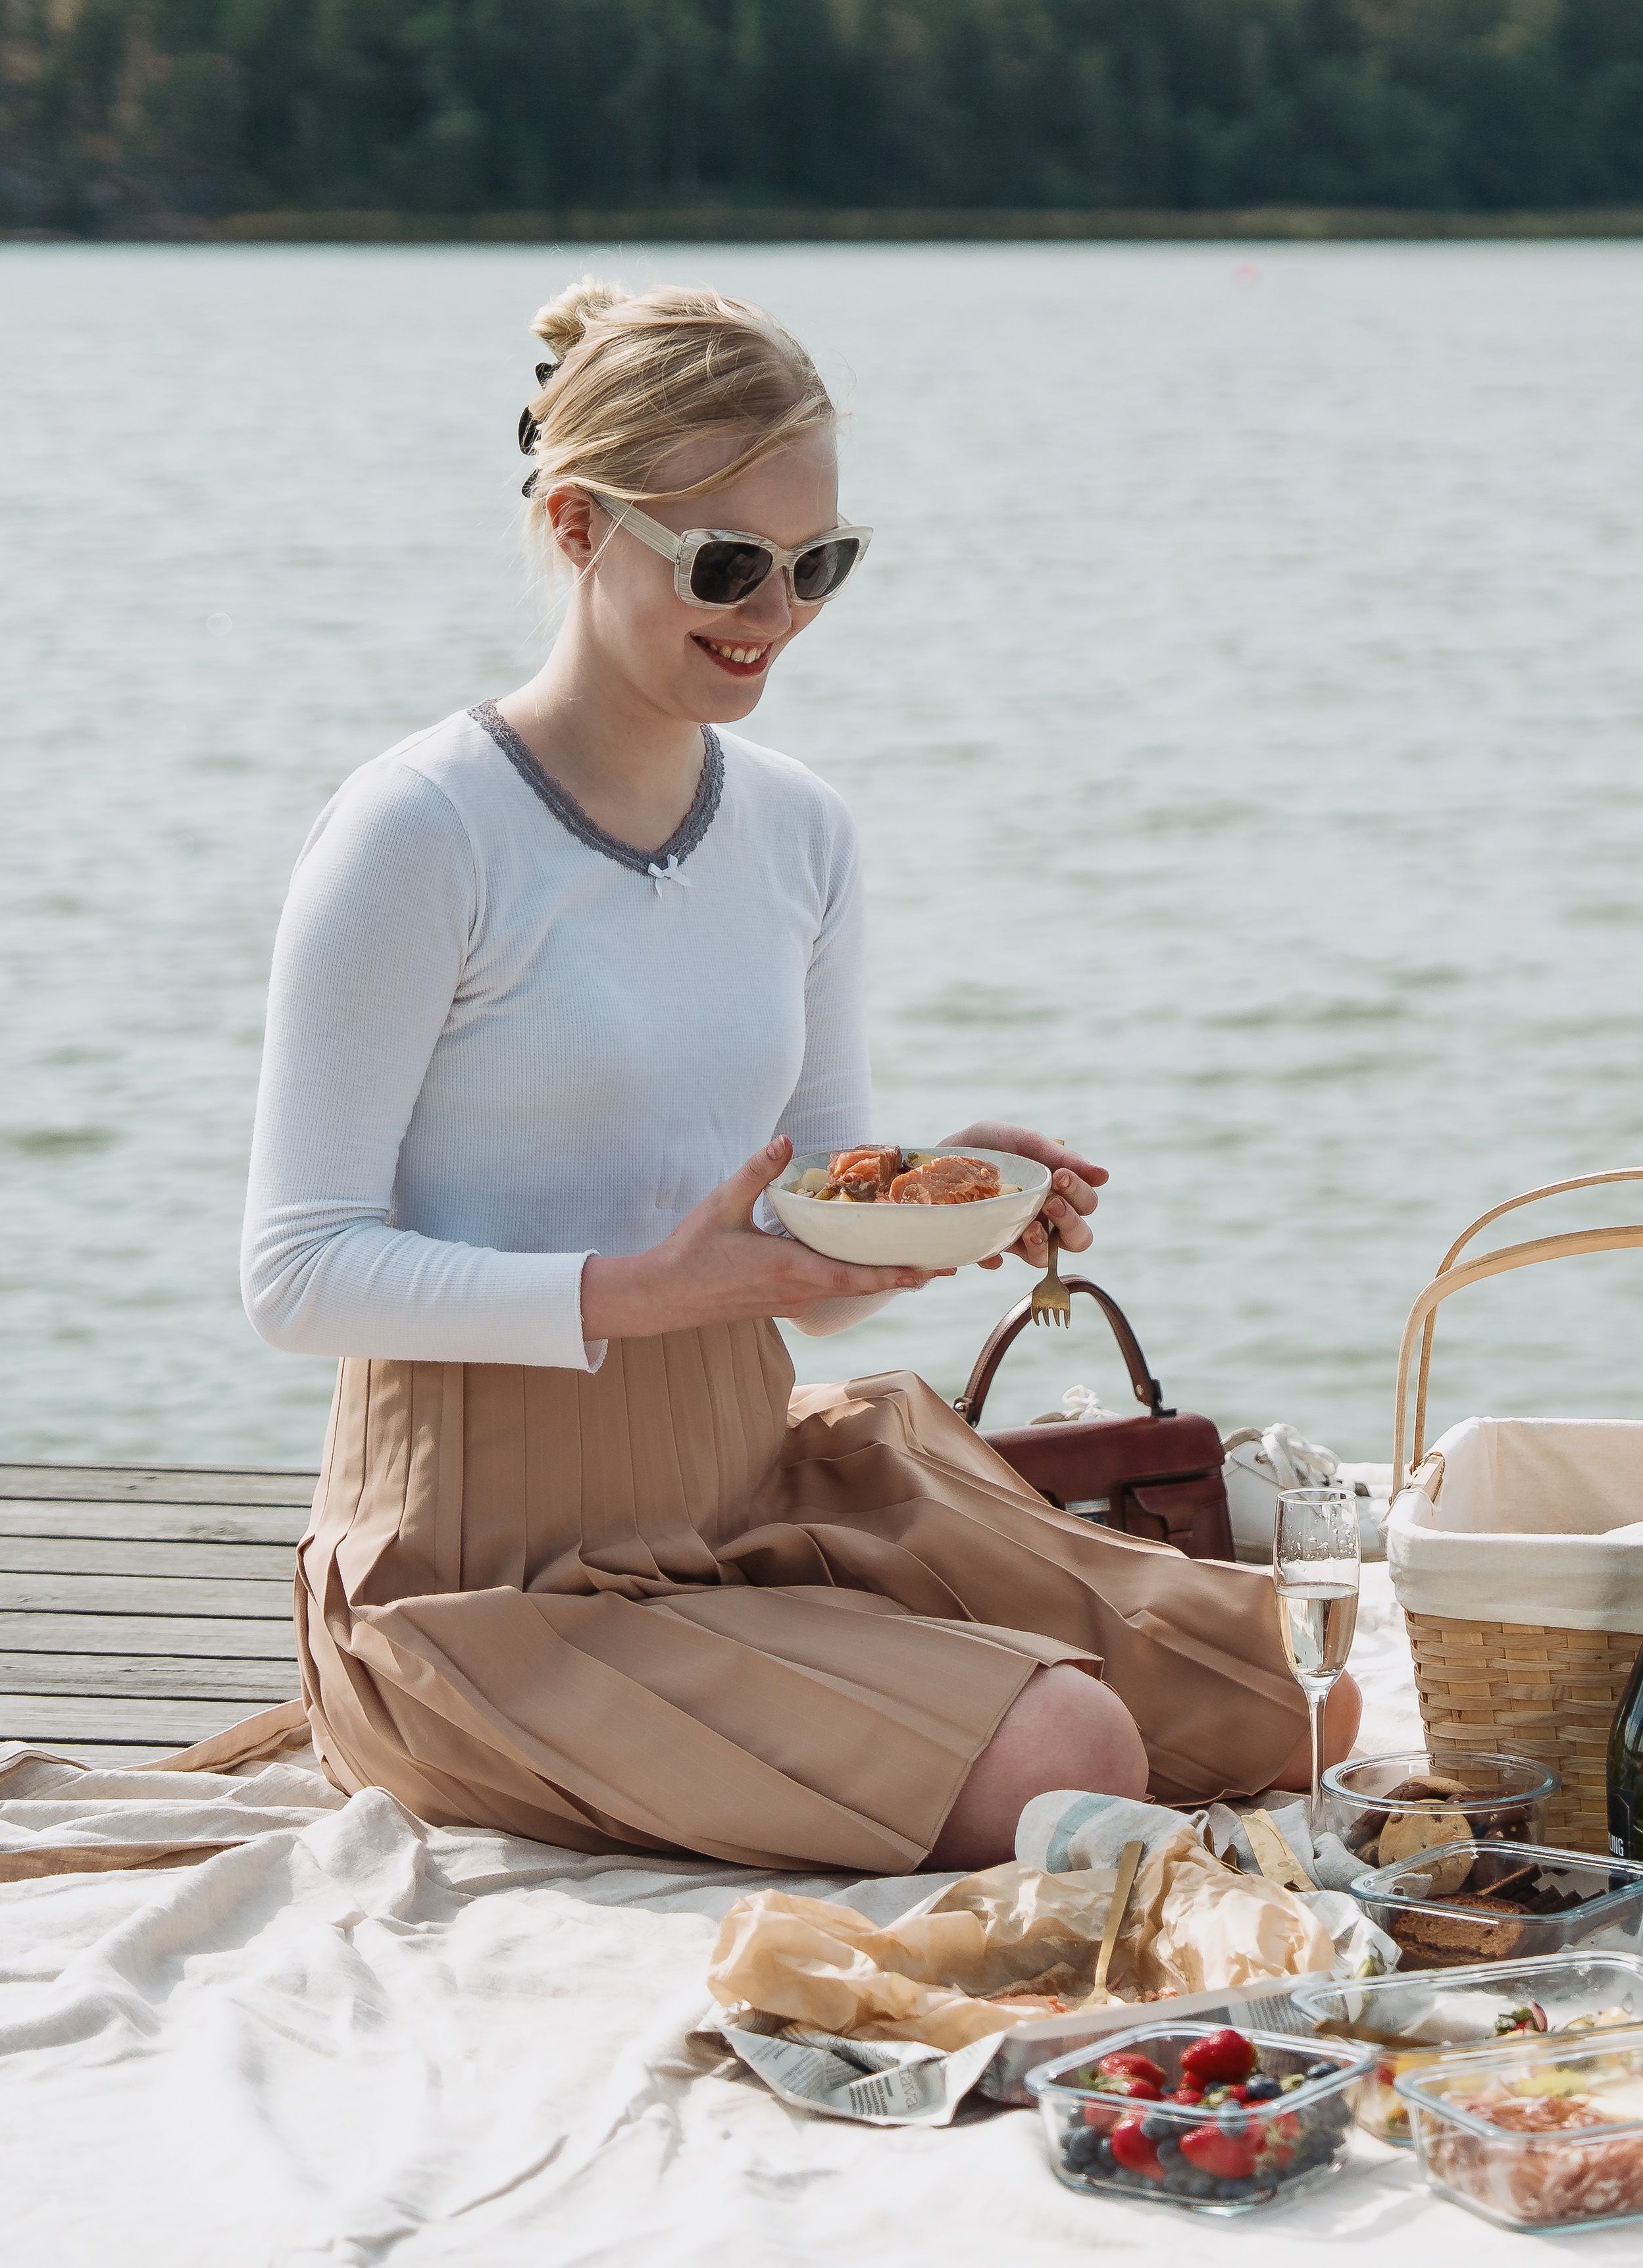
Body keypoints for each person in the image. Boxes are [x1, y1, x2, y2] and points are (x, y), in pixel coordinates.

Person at [240, 276, 1345, 1874]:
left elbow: (808, 1276)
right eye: (727, 563)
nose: (777, 609)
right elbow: (296, 1274)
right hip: (482, 1574)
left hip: (750, 1485)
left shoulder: (799, 828)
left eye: (818, 562)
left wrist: (937, 1196)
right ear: (575, 525)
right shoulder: (419, 829)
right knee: (1074, 1746)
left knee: (1297, 1695)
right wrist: (641, 1292)